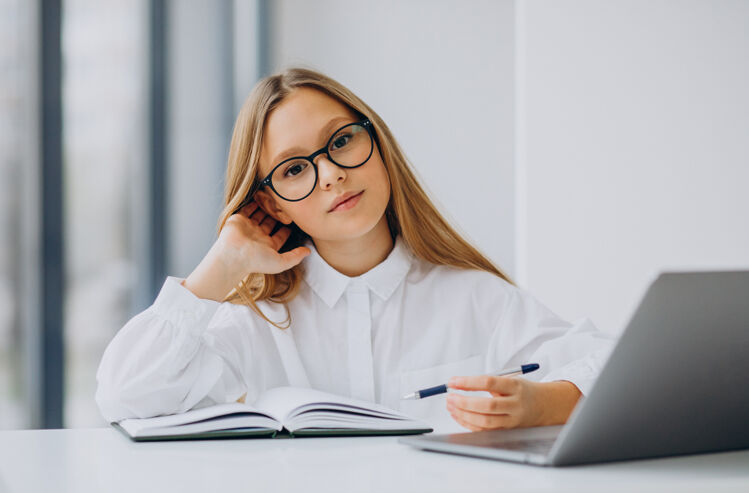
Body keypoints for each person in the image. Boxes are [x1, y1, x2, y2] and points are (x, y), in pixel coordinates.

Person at [95, 67, 614, 433]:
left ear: (377, 145)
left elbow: (614, 364)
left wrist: (541, 404)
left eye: (341, 141)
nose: (332, 174)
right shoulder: (252, 325)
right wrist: (219, 267)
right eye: (294, 169)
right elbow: (123, 396)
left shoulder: (476, 299)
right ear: (272, 206)